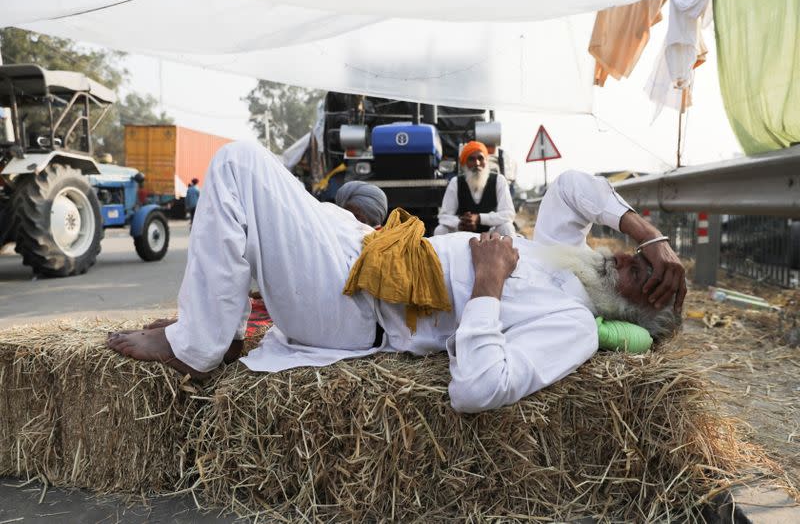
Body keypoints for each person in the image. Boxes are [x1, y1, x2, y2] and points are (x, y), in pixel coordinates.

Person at [107, 142, 686, 413]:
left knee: (236, 166)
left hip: (359, 310)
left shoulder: (575, 324)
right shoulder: (569, 260)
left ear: (633, 313)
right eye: (640, 258)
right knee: (293, 202)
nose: (630, 260)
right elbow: (572, 187)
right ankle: (219, 331)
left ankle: (198, 347)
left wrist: (486, 285)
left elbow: (479, 389)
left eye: (644, 278)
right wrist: (650, 234)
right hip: (369, 253)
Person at [434, 141, 516, 236]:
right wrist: (460, 223)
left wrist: (479, 218)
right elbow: (443, 217)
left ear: (486, 161)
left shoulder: (499, 180)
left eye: (480, 158)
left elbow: (509, 214)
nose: (477, 163)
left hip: (491, 234)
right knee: (440, 230)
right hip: (462, 233)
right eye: (471, 159)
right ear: (464, 163)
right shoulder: (455, 182)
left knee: (507, 227)